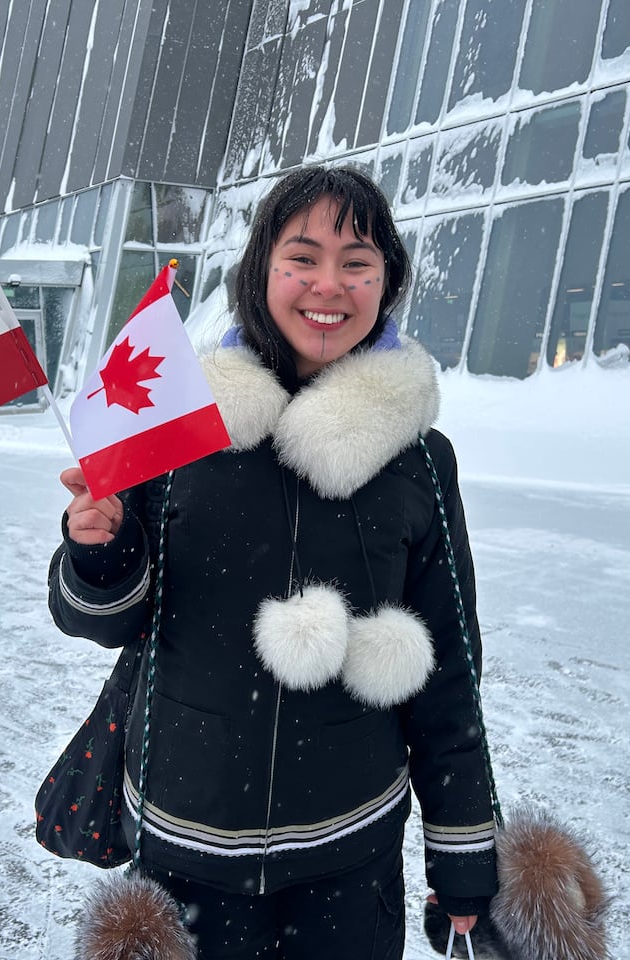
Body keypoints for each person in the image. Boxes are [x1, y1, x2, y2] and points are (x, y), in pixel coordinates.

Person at [48, 165, 498, 958]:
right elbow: (105, 620)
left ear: (385, 280)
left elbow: (448, 669)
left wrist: (463, 849)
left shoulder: (421, 461)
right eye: (304, 256)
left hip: (349, 859)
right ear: (262, 270)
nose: (330, 284)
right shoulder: (179, 423)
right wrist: (100, 546)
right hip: (184, 848)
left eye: (357, 261)